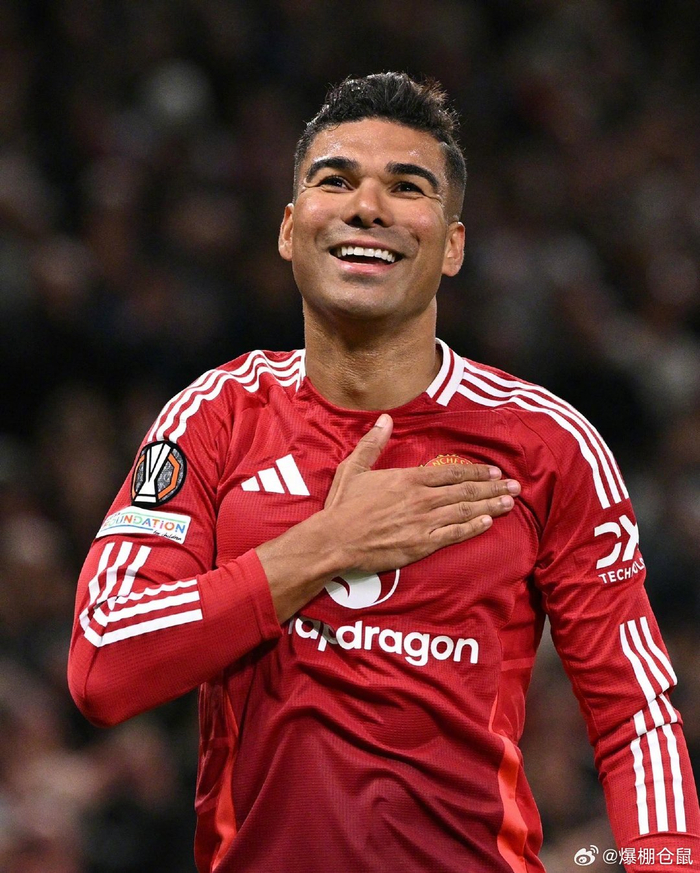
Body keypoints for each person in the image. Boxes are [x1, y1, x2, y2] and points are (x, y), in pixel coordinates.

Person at [68, 72, 699, 873]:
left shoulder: (548, 444)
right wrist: (328, 544)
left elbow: (635, 718)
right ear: (290, 229)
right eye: (336, 180)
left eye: (407, 186)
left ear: (453, 245)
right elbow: (103, 662)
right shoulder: (216, 416)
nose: (368, 206)